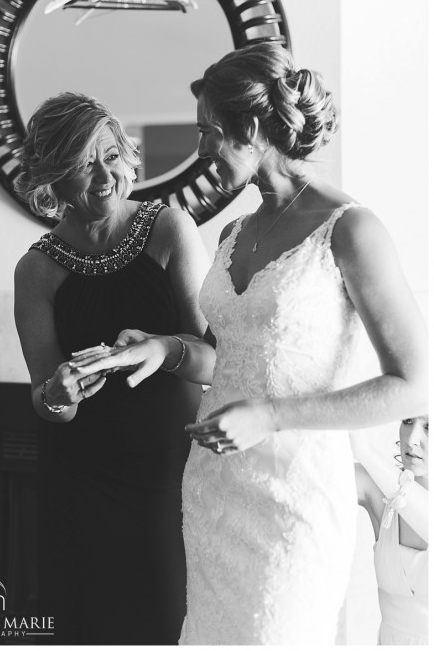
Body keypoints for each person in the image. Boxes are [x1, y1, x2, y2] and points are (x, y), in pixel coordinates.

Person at [72, 43, 427, 645]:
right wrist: (164, 349)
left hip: (295, 503)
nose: (201, 149)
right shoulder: (234, 233)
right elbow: (228, 359)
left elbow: (415, 385)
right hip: (214, 492)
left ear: (254, 128)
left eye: (209, 131)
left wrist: (270, 416)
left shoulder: (351, 230)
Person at [13, 92, 208, 645]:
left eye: (112, 156)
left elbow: (214, 359)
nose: (104, 176)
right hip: (82, 483)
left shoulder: (170, 229)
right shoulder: (36, 271)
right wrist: (60, 393)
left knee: (171, 620)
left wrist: (161, 347)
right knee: (89, 624)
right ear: (53, 179)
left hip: (169, 477)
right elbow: (46, 402)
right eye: (83, 164)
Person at [353, 417, 428, 645]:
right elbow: (308, 475)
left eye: (429, 427)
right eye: (407, 420)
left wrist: (366, 452)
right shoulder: (378, 490)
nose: (412, 439)